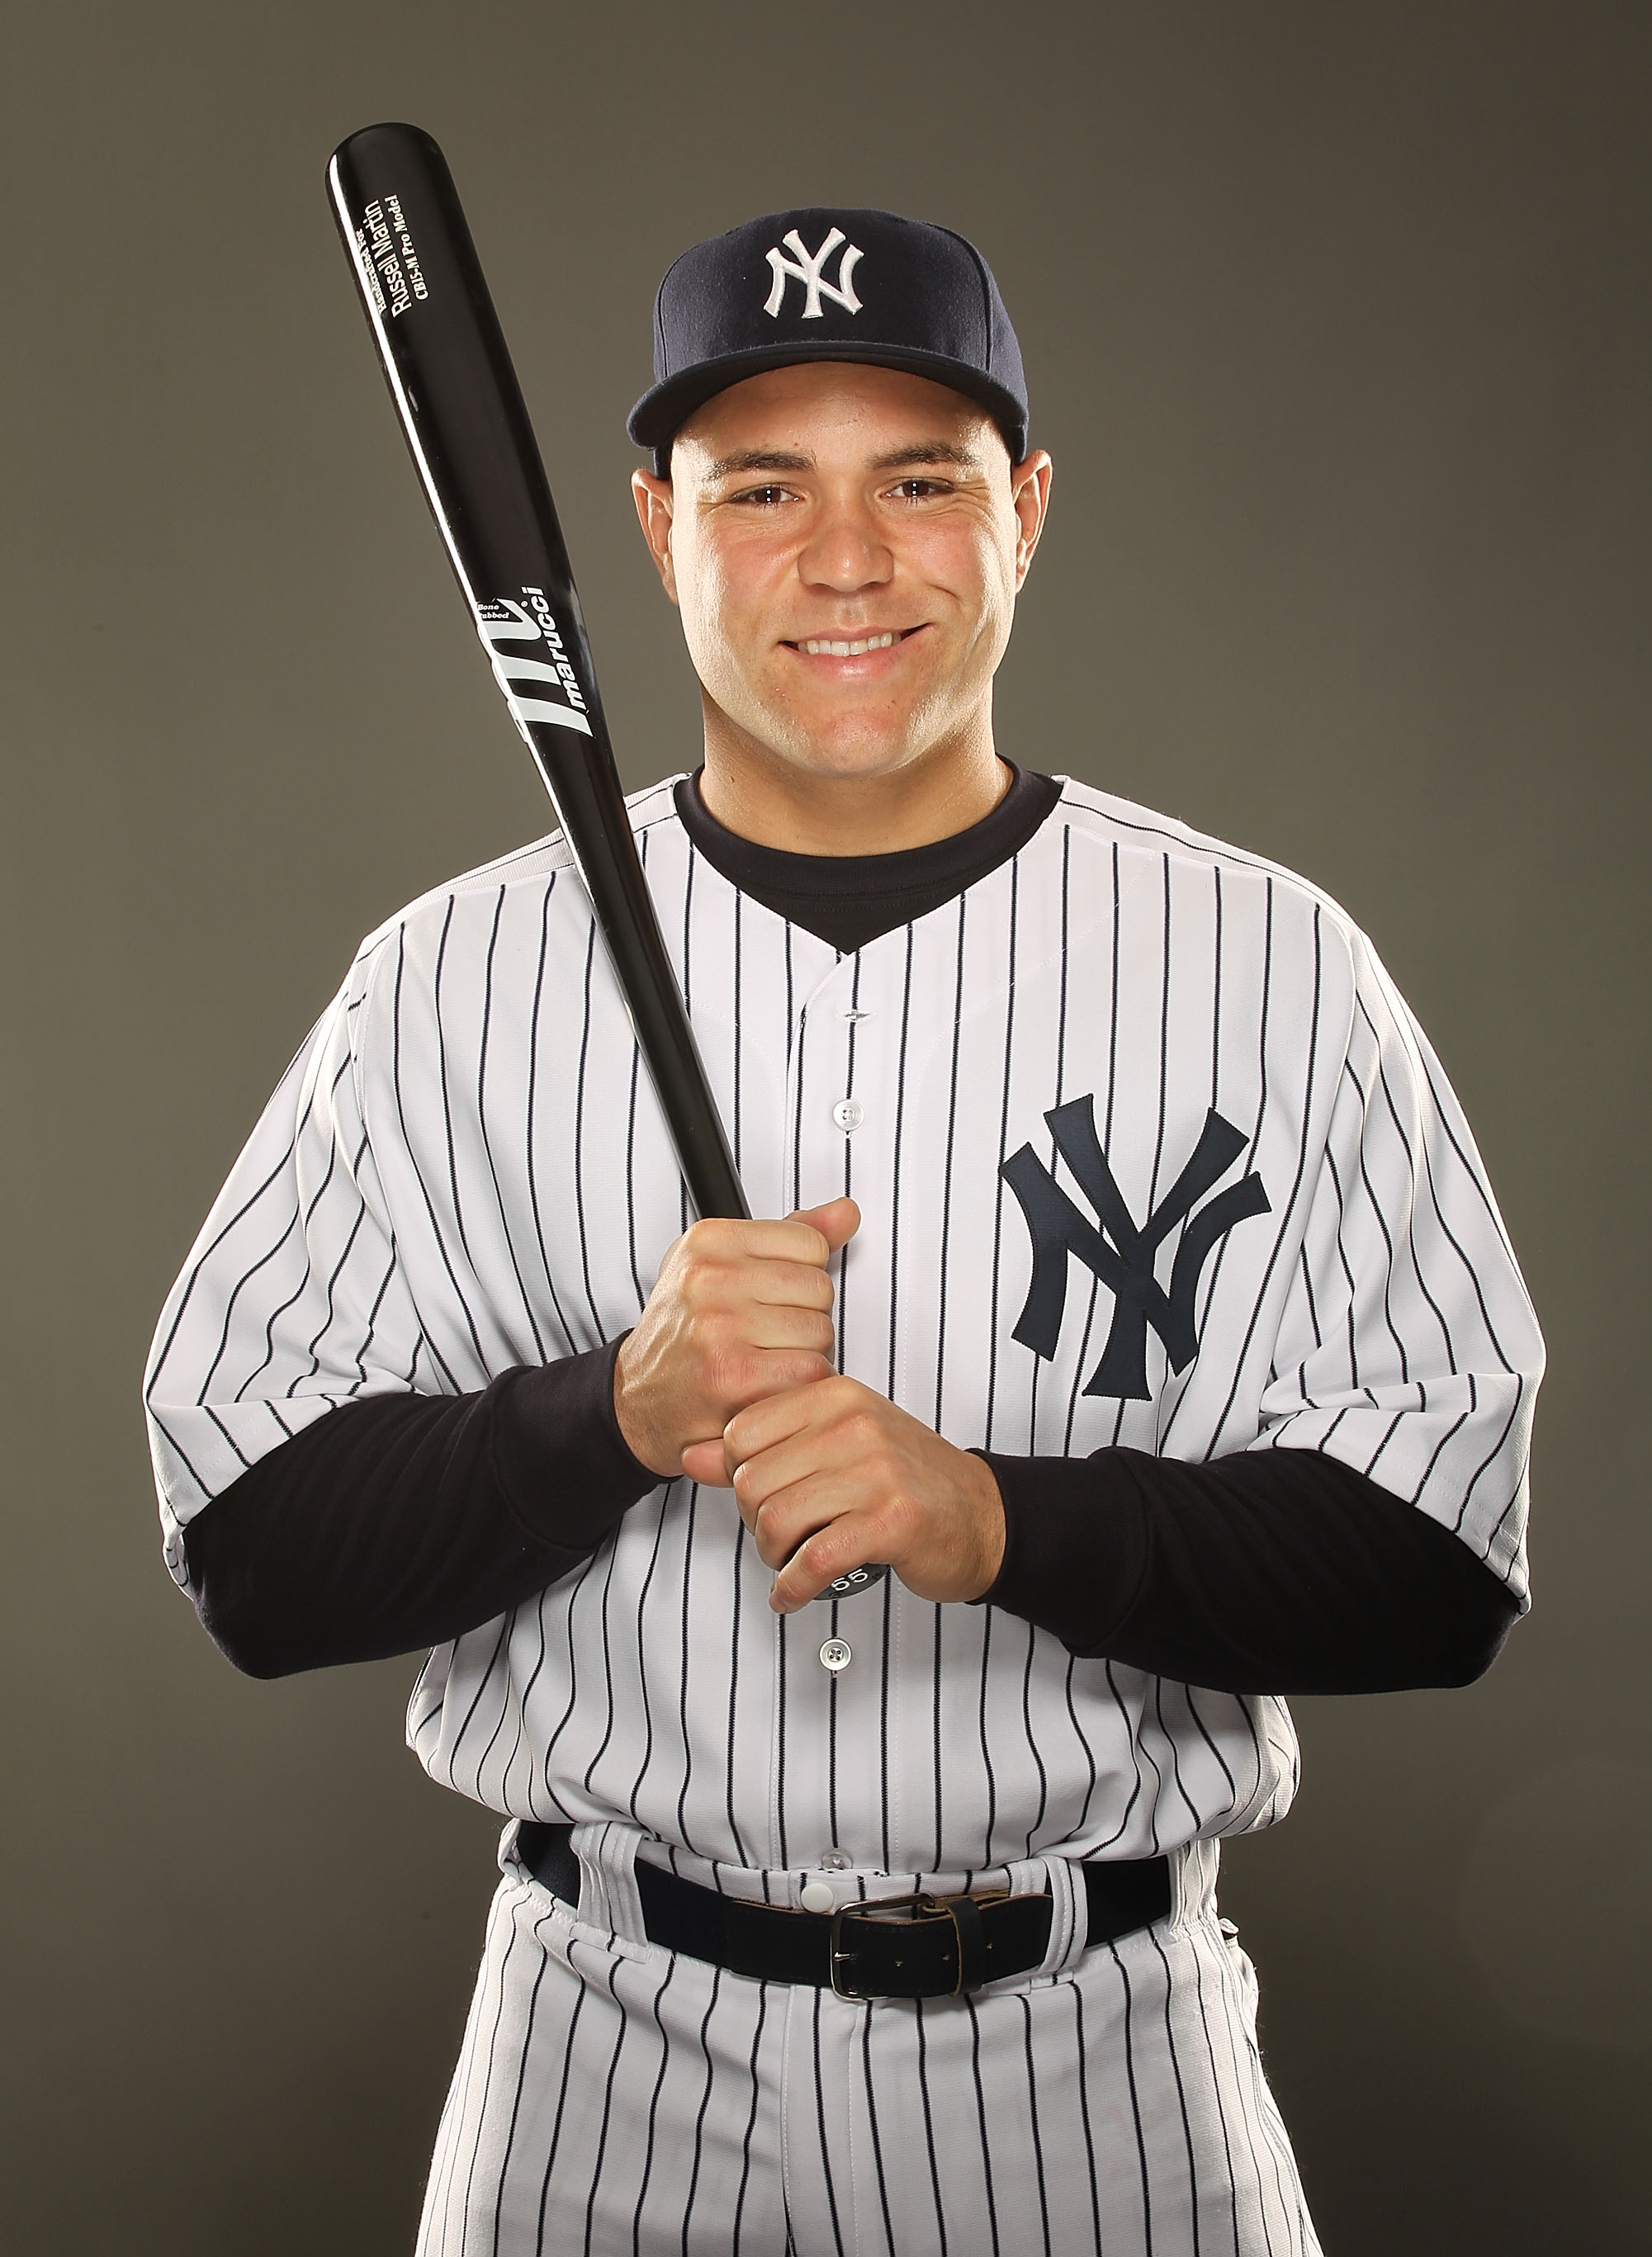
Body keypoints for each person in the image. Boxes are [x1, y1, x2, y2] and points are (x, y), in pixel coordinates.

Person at [145, 206, 1541, 2256]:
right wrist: (608, 1417)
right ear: (650, 525)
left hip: (1100, 2069)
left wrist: (999, 1520)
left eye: (917, 480)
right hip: (595, 2062)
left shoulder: (1267, 962)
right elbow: (253, 1562)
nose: (847, 560)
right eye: (761, 487)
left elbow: (1435, 1576)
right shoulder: (445, 983)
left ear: (1025, 507)